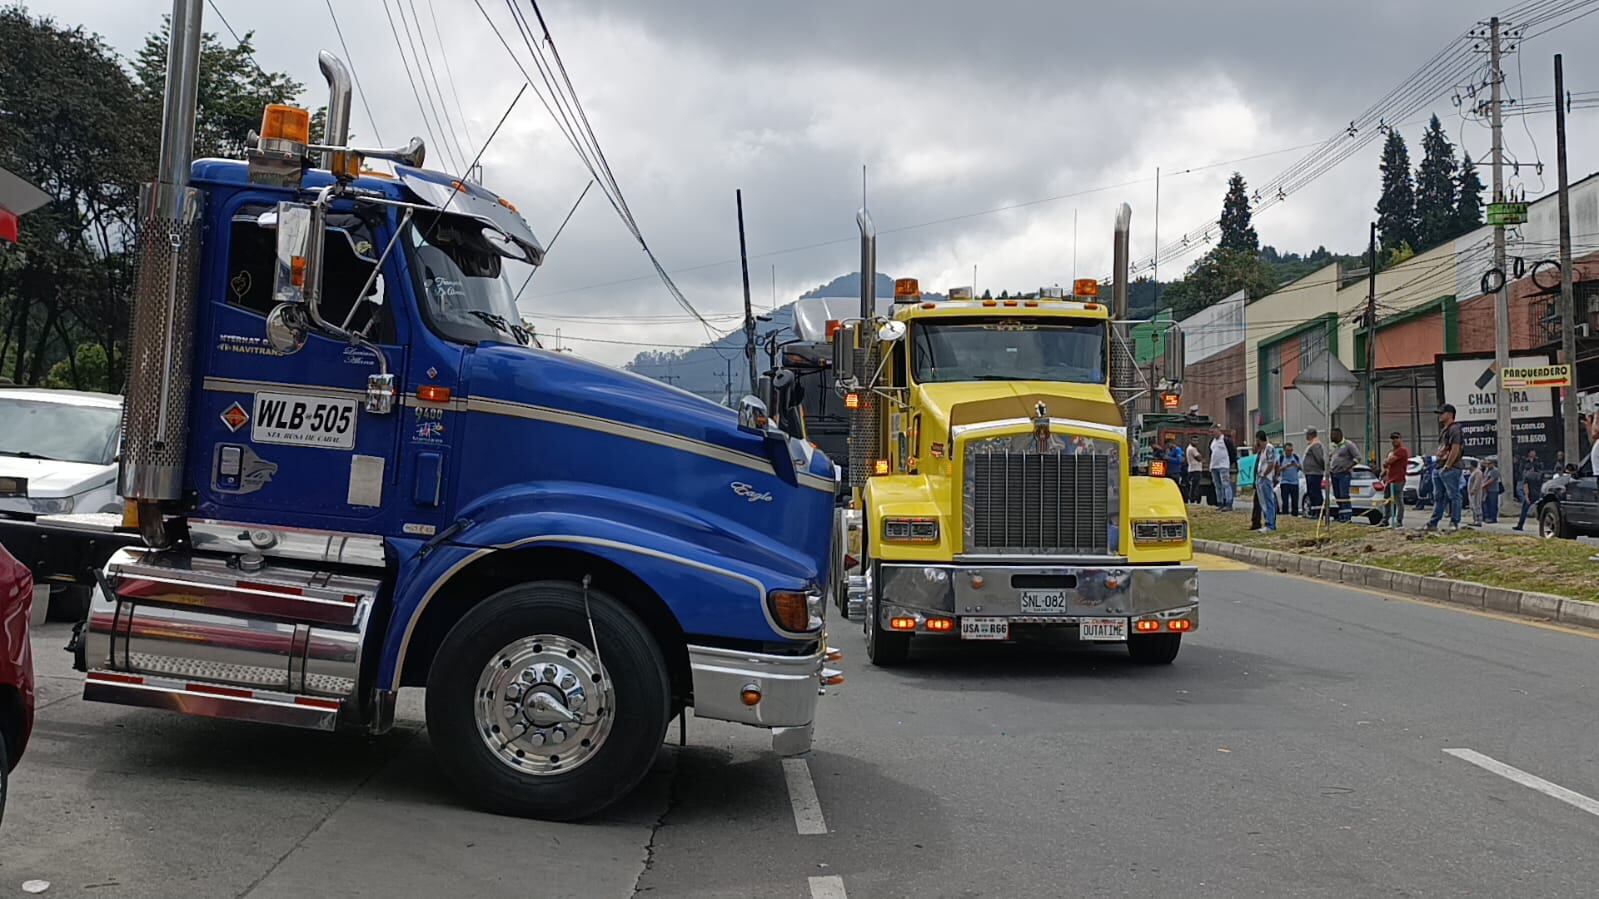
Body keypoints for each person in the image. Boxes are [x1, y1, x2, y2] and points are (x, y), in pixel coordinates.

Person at [1425, 403, 1465, 531]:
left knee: (1454, 495)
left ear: (1450, 414)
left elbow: (1455, 448)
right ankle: (1433, 523)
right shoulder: (1445, 430)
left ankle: (1454, 522)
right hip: (1439, 466)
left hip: (1450, 468)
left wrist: (1448, 465)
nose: (1439, 416)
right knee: (1438, 497)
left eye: (1442, 413)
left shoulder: (1455, 429)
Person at [1326, 427, 1360, 522]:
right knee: (1337, 495)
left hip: (1344, 474)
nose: (1331, 437)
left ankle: (1347, 517)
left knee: (1344, 495)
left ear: (1339, 435)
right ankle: (1341, 515)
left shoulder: (1348, 445)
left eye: (1333, 435)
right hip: (1334, 474)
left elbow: (1358, 458)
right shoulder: (1333, 446)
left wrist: (1347, 467)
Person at [1381, 432, 1410, 528]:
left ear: (1400, 439)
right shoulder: (1392, 451)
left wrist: (1386, 461)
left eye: (1396, 438)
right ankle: (1385, 520)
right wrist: (1384, 472)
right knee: (1387, 500)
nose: (1394, 440)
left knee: (1398, 501)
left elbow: (1388, 461)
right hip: (1389, 479)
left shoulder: (1402, 451)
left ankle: (1399, 521)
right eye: (1392, 438)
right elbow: (1385, 464)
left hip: (1398, 479)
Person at [1253, 430, 1280, 531]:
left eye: (1257, 441)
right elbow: (1254, 451)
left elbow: (1271, 463)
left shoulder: (1269, 448)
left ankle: (1270, 524)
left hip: (1266, 478)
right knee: (1263, 502)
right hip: (1260, 478)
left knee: (1268, 501)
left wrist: (1264, 474)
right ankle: (1267, 521)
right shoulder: (1262, 450)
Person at [1514, 449, 1541, 531]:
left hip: (1530, 494)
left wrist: (1526, 496)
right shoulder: (1540, 476)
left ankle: (1520, 525)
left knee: (1524, 510)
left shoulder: (1528, 476)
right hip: (1538, 494)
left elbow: (1526, 486)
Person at [1302, 428, 1326, 518]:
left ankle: (1318, 512)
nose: (1306, 436)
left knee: (1315, 493)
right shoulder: (1311, 444)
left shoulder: (1316, 445)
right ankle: (1314, 511)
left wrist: (1323, 467)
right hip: (1310, 473)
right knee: (1311, 493)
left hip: (1315, 473)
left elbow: (1319, 458)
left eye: (1307, 434)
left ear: (1311, 435)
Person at [1209, 427, 1233, 511]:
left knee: (1226, 484)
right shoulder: (1212, 442)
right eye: (1211, 432)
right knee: (1217, 486)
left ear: (1218, 430)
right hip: (1214, 466)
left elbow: (1232, 452)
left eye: (1213, 431)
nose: (1212, 434)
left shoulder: (1225, 440)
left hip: (1223, 466)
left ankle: (1228, 503)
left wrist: (1230, 462)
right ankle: (1220, 502)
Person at [1279, 442, 1302, 517]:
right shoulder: (1281, 458)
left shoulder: (1296, 457)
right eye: (1288, 450)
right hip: (1285, 482)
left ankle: (1294, 516)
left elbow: (1301, 468)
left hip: (1294, 482)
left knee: (1295, 502)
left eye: (1291, 450)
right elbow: (1277, 469)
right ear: (1284, 450)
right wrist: (1286, 466)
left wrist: (1296, 465)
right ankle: (1285, 516)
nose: (1289, 452)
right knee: (1285, 502)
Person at [1481, 457, 1502, 524]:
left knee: (1493, 504)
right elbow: (1485, 478)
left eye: (1489, 464)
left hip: (1493, 490)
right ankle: (1487, 517)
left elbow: (1491, 480)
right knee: (1487, 504)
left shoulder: (1495, 470)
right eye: (1487, 464)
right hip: (1487, 489)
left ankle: (1493, 518)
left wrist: (1483, 485)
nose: (1487, 465)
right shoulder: (1487, 470)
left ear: (1493, 464)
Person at [1185, 438, 1205, 505]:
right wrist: (1201, 459)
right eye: (1194, 440)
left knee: (1193, 485)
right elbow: (1199, 458)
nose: (1196, 442)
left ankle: (1192, 499)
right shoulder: (1192, 449)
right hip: (1195, 469)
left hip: (1192, 469)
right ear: (1190, 441)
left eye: (1197, 441)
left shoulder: (1190, 448)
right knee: (1195, 486)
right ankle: (1193, 500)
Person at [1467, 460, 1485, 527]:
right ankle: (1475, 520)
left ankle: (1479, 520)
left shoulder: (1478, 472)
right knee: (1473, 507)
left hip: (1476, 492)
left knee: (1477, 506)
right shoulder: (1473, 472)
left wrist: (1474, 490)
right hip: (1471, 492)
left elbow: (1477, 482)